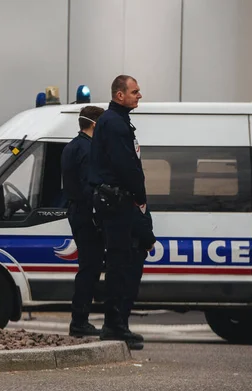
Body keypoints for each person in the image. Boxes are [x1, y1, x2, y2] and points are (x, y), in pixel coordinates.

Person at [90, 75, 153, 350]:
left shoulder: (116, 121)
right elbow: (126, 166)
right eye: (134, 91)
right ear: (119, 95)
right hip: (119, 205)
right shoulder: (114, 124)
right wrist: (140, 197)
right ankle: (115, 326)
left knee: (126, 262)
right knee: (121, 266)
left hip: (119, 205)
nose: (139, 95)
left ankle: (118, 324)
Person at [61, 105, 106, 337]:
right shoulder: (89, 150)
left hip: (76, 213)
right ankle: (80, 321)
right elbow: (90, 187)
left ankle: (80, 318)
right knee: (90, 268)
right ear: (95, 125)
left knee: (87, 267)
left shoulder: (71, 147)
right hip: (88, 215)